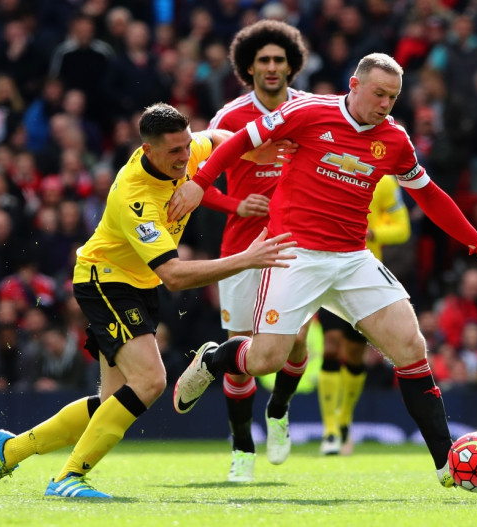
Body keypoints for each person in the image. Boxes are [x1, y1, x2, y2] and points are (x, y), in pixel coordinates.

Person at [169, 53, 477, 488]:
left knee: (411, 344)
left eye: (393, 96)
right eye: (378, 93)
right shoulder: (307, 111)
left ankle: (446, 463)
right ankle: (213, 358)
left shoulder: (394, 139)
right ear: (354, 84)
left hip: (352, 258)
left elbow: (430, 195)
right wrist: (199, 184)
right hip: (294, 253)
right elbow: (239, 141)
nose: (385, 103)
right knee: (265, 359)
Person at [0, 103, 298, 499]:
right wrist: (246, 260)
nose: (184, 156)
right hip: (105, 281)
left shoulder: (187, 148)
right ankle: (69, 477)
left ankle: (10, 450)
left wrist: (249, 151)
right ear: (148, 150)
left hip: (136, 284)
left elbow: (216, 141)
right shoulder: (134, 197)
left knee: (111, 401)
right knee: (151, 380)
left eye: (185, 145)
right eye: (174, 151)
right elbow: (174, 276)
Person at [199, 19, 310, 483]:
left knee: (297, 341)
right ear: (248, 66)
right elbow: (192, 185)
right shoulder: (227, 118)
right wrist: (235, 202)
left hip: (295, 243)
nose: (271, 67)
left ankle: (279, 411)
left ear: (291, 65)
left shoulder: (311, 111)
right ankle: (242, 447)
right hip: (243, 245)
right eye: (262, 60)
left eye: (278, 60)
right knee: (241, 350)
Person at [318, 175, 410, 456]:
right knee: (331, 344)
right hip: (328, 269)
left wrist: (374, 234)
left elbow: (403, 228)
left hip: (363, 276)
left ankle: (345, 417)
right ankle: (330, 429)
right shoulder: (331, 169)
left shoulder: (385, 182)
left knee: (355, 354)